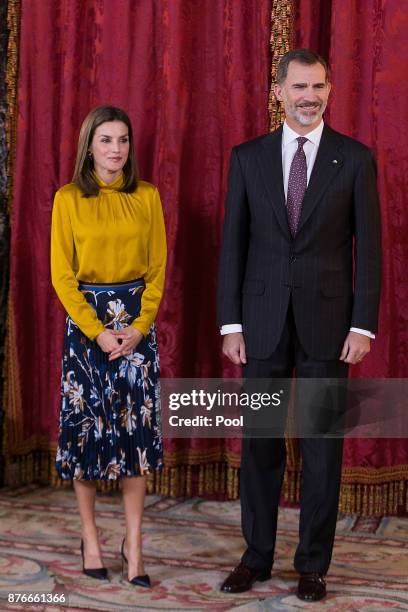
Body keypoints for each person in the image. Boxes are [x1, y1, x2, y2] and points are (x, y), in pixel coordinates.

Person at [217, 49, 381, 601]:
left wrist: (363, 325)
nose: (308, 96)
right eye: (299, 87)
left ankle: (313, 563)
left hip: (329, 327)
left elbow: (372, 252)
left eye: (318, 86)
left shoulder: (355, 159)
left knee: (321, 448)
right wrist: (230, 324)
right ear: (280, 91)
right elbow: (232, 247)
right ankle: (255, 557)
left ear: (329, 90)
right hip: (260, 323)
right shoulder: (248, 157)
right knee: (260, 443)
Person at [51, 106, 166, 587]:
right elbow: (62, 274)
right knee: (87, 437)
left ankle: (134, 547)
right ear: (89, 146)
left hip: (137, 329)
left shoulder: (147, 196)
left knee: (134, 438)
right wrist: (97, 330)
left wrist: (138, 328)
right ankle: (91, 537)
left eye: (122, 140)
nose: (116, 149)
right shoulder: (69, 199)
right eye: (105, 140)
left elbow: (158, 269)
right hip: (87, 329)